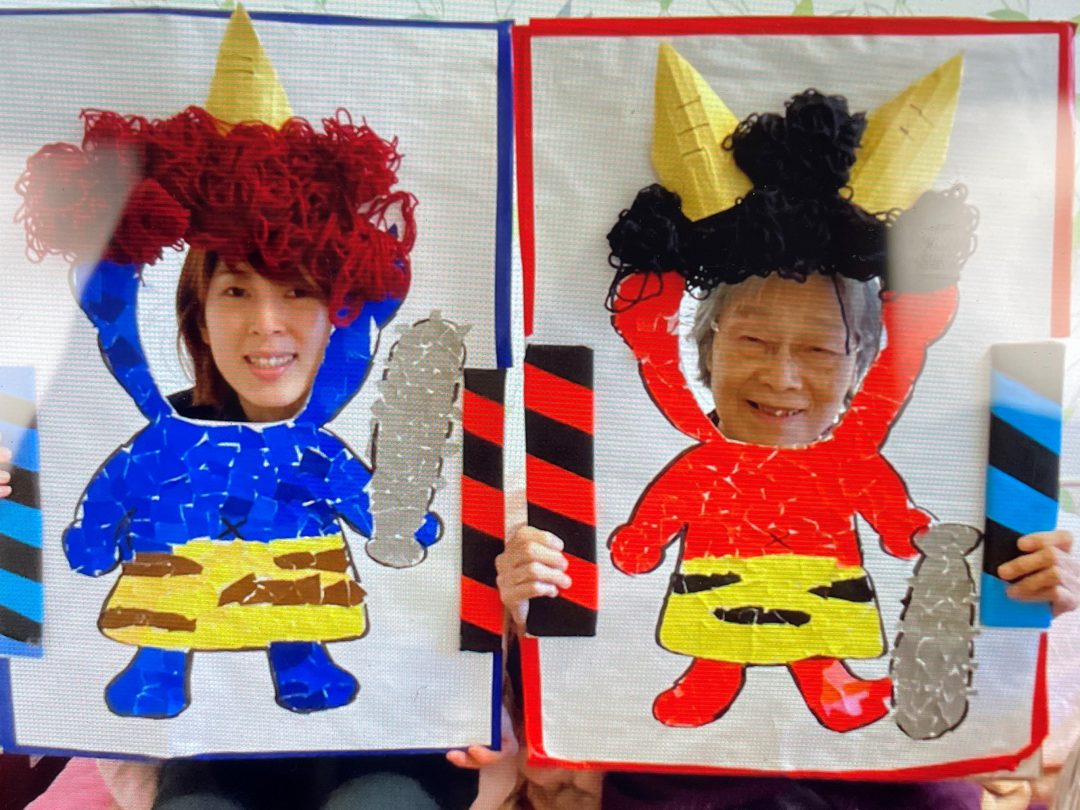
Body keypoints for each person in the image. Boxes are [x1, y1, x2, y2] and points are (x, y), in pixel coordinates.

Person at [496, 89, 1079, 808]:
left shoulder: (855, 462)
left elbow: (896, 518)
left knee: (820, 654)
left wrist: (1023, 591)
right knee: (714, 655)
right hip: (679, 769)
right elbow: (645, 534)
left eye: (819, 349)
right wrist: (548, 594)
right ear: (705, 350)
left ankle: (835, 691)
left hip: (890, 768)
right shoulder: (689, 464)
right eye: (751, 340)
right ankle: (707, 682)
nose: (783, 377)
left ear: (861, 364)